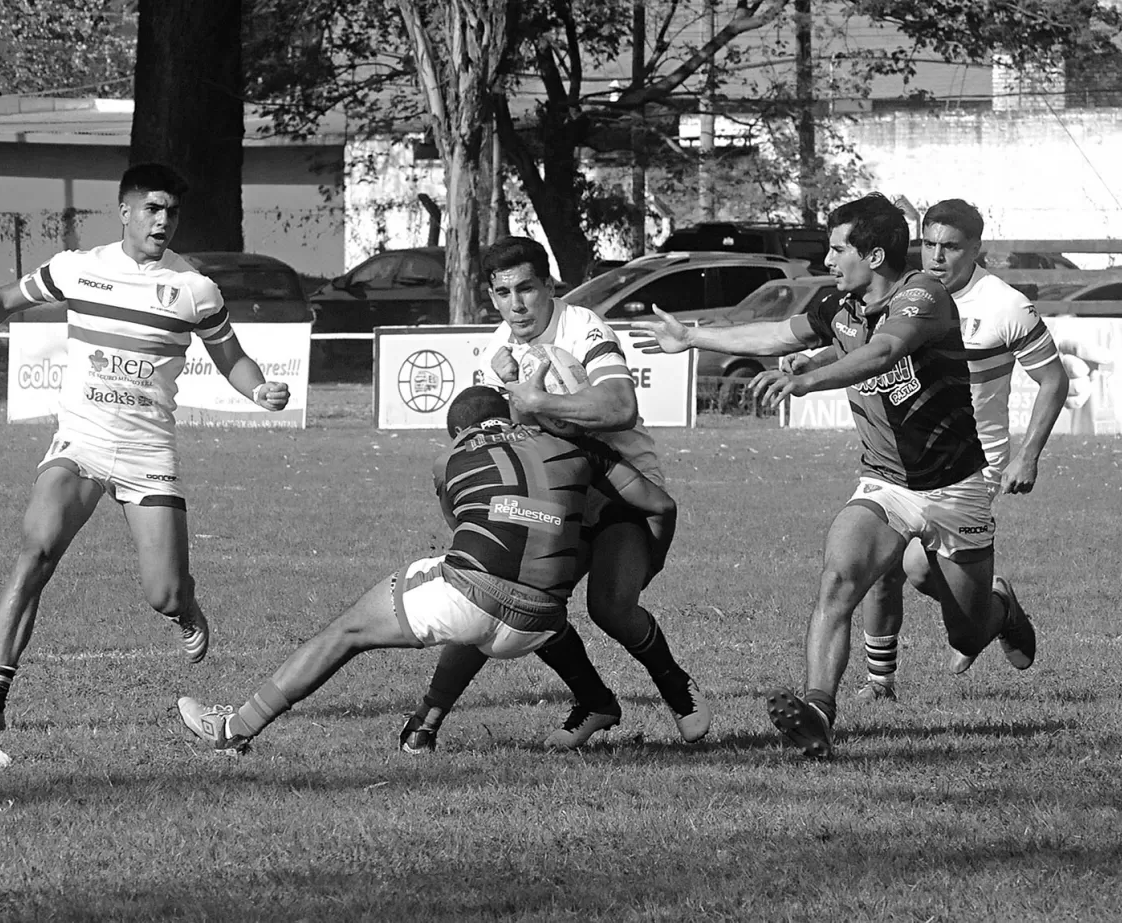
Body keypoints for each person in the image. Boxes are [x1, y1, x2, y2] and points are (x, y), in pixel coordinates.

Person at [630, 193, 1035, 759]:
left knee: (967, 633)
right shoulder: (838, 304)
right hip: (886, 483)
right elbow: (778, 334)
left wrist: (807, 381)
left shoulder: (924, 294)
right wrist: (693, 337)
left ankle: (1002, 610)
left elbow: (883, 352)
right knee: (838, 580)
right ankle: (818, 712)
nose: (828, 260)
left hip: (955, 488)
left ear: (873, 254)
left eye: (837, 249)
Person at [0, 162, 291, 734]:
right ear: (125, 210)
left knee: (163, 594)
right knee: (36, 550)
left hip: (149, 453)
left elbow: (232, 358)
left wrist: (259, 386)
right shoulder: (78, 269)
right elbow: (0, 299)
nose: (163, 220)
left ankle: (185, 605)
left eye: (171, 211)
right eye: (152, 208)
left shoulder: (195, 288)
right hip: (82, 441)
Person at [177, 386, 678, 753]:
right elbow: (658, 503)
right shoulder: (573, 447)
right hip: (540, 623)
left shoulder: (448, 459)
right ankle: (427, 725)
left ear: (458, 431)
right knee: (495, 592)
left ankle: (233, 729)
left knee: (350, 629)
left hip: (474, 601)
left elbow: (465, 526)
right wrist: (645, 567)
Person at [400, 235, 711, 753]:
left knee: (611, 609)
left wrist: (536, 398)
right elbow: (514, 444)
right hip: (558, 489)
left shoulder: (583, 328)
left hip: (620, 485)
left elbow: (619, 410)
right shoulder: (499, 350)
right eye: (503, 292)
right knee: (499, 592)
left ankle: (676, 686)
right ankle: (434, 719)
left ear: (549, 287)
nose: (516, 304)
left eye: (526, 289)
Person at [835, 199, 1067, 700]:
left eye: (952, 246)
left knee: (919, 569)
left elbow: (1053, 380)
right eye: (930, 244)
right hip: (903, 458)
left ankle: (995, 607)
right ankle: (879, 682)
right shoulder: (907, 294)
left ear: (977, 249)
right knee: (881, 564)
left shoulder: (1005, 305)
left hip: (971, 462)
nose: (937, 256)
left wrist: (1029, 455)